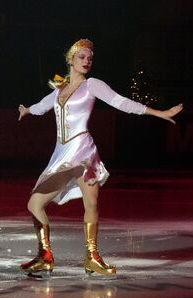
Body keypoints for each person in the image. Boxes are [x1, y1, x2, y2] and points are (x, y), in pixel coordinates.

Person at [17, 39, 182, 276]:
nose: (87, 61)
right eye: (82, 57)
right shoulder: (59, 88)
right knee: (34, 204)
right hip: (61, 154)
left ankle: (92, 257)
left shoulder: (92, 85)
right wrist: (27, 110)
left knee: (91, 203)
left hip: (83, 151)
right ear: (70, 60)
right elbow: (41, 107)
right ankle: (45, 255)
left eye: (90, 58)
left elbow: (121, 102)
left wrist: (158, 112)